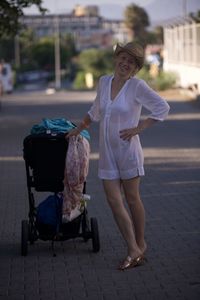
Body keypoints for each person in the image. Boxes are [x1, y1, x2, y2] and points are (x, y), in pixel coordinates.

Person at [66, 42, 170, 270]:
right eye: (123, 58)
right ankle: (133, 248)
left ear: (135, 68)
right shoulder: (104, 82)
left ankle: (140, 245)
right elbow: (95, 111)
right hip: (107, 152)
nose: (125, 64)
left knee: (133, 199)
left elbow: (163, 107)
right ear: (116, 58)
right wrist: (79, 128)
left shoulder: (137, 86)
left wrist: (139, 127)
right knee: (114, 201)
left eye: (131, 62)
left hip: (128, 151)